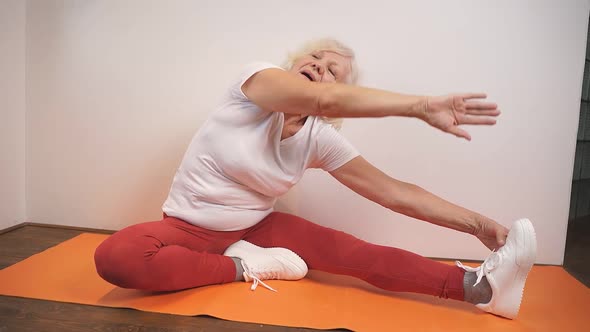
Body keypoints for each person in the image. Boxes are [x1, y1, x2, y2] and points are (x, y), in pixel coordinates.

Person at [94, 38, 537, 319]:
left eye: (333, 70)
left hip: (257, 225)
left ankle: (480, 290)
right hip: (187, 226)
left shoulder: (319, 138)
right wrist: (420, 106)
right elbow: (320, 96)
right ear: (293, 63)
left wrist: (480, 226)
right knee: (116, 257)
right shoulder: (253, 86)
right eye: (315, 58)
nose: (320, 67)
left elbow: (395, 193)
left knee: (355, 253)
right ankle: (245, 265)